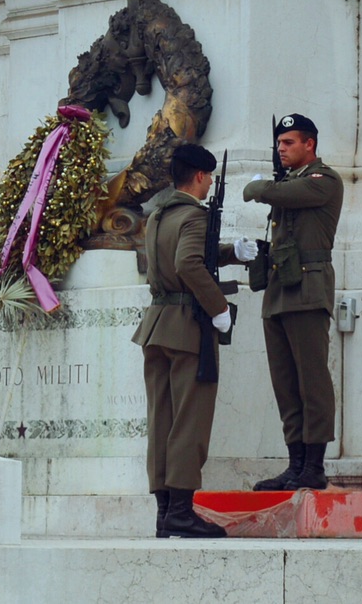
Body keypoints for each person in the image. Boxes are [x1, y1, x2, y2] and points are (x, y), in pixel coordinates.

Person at [133, 142, 254, 537]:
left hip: (157, 324)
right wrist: (218, 308)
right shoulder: (193, 216)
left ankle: (165, 512)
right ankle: (182, 512)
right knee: (190, 421)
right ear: (200, 177)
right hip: (188, 327)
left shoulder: (158, 216)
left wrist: (230, 252)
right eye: (209, 179)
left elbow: (179, 256)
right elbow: (187, 263)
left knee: (162, 420)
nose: (209, 186)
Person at [242, 113, 344, 491]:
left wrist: (259, 187)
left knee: (311, 381)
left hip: (307, 289)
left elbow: (277, 194)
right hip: (280, 290)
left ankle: (313, 467)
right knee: (286, 383)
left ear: (309, 145)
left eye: (289, 143)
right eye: (279, 144)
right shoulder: (288, 182)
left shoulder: (324, 181)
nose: (281, 149)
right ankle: (295, 463)